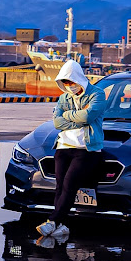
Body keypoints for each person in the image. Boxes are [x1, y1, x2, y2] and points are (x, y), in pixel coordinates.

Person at [37, 59, 106, 238]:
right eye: (65, 83)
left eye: (71, 82)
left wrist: (67, 115)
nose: (69, 86)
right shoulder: (64, 97)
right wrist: (75, 117)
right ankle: (62, 225)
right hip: (63, 147)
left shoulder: (97, 94)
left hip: (86, 149)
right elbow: (57, 122)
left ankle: (52, 221)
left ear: (78, 78)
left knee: (69, 185)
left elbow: (88, 117)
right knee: (60, 186)